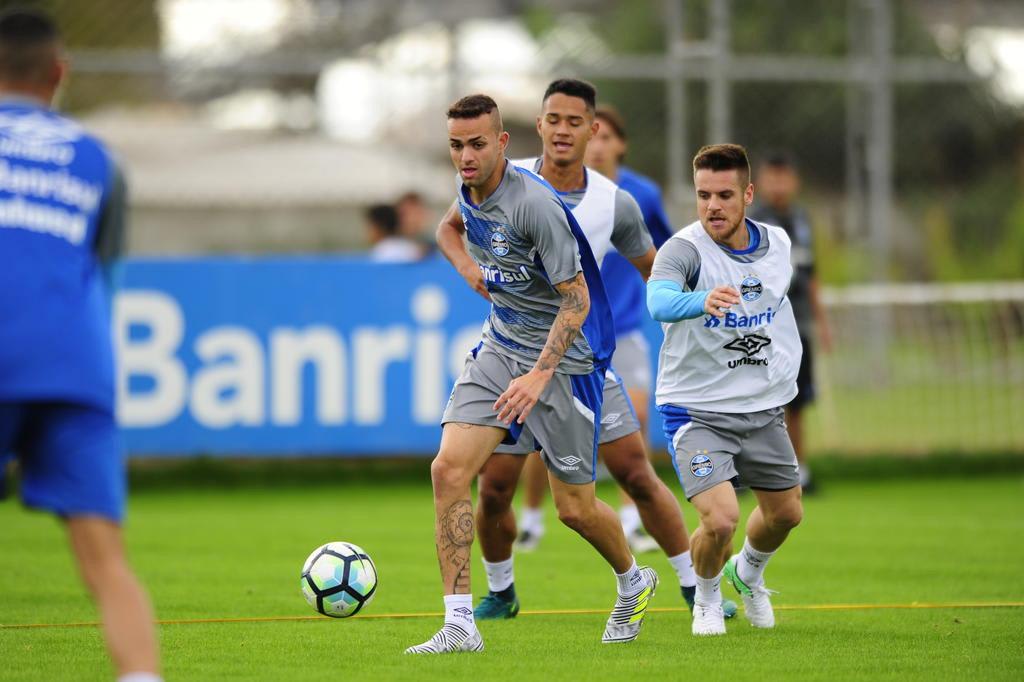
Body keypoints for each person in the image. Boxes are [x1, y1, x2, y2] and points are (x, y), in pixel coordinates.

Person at [443, 79, 711, 623]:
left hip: (583, 358)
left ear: (595, 130)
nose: (563, 130)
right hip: (510, 350)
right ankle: (483, 604)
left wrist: (695, 311)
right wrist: (471, 269)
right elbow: (449, 228)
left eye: (575, 121)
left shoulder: (615, 203)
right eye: (553, 119)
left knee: (622, 481)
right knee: (481, 484)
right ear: (537, 127)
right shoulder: (488, 177)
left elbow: (652, 270)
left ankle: (687, 585)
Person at [406, 94, 658, 654]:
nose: (465, 156)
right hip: (499, 348)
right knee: (449, 471)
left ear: (502, 143)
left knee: (575, 510)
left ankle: (633, 578)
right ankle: (458, 625)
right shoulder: (466, 188)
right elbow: (448, 230)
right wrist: (470, 269)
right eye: (455, 145)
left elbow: (578, 301)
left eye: (476, 144)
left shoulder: (535, 206)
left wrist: (540, 376)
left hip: (564, 364)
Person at [0, 9, 161, 681]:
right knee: (106, 562)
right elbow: (103, 269)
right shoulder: (100, 160)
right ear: (59, 73)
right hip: (76, 364)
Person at [647, 144, 805, 636]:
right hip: (697, 411)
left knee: (786, 514)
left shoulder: (778, 244)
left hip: (762, 407)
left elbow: (774, 310)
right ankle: (708, 598)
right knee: (720, 519)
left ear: (747, 194)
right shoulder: (685, 250)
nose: (712, 205)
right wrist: (698, 302)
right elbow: (658, 299)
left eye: (724, 194)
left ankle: (747, 573)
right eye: (702, 195)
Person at [747, 153, 832, 493]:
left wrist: (822, 321)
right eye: (773, 178)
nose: (779, 185)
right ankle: (749, 472)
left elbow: (811, 274)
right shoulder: (755, 221)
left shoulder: (801, 220)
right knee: (759, 400)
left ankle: (800, 471)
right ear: (761, 183)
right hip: (763, 327)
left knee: (797, 401)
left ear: (794, 181)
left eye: (785, 177)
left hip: (798, 326)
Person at [395, 190, 437, 255]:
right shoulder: (389, 248)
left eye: (416, 213)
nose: (412, 220)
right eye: (406, 214)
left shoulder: (439, 246)